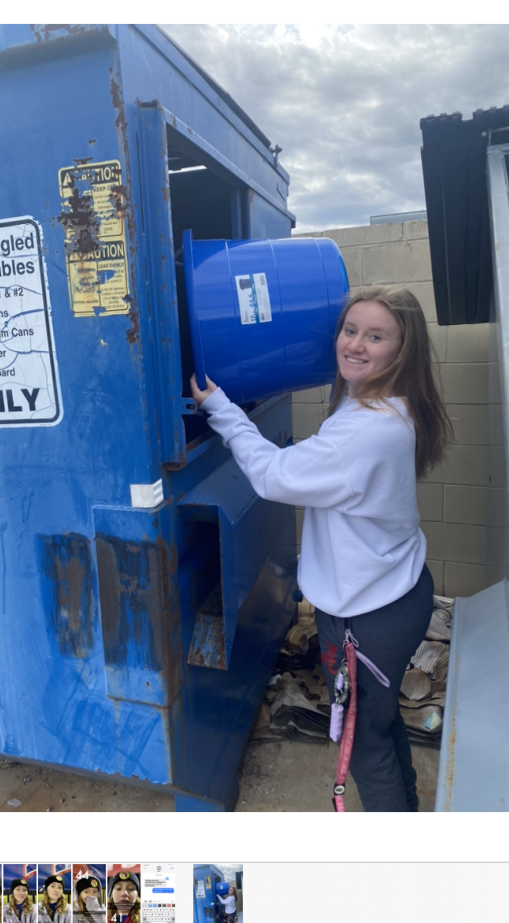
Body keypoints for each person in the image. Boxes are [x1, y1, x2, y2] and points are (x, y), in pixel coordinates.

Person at [191, 286, 453, 814]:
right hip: (391, 592)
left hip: (367, 616)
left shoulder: (368, 430)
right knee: (378, 723)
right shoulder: (384, 401)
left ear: (402, 349)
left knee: (365, 744)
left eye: (375, 337)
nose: (354, 344)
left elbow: (272, 475)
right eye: (349, 330)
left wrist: (219, 406)